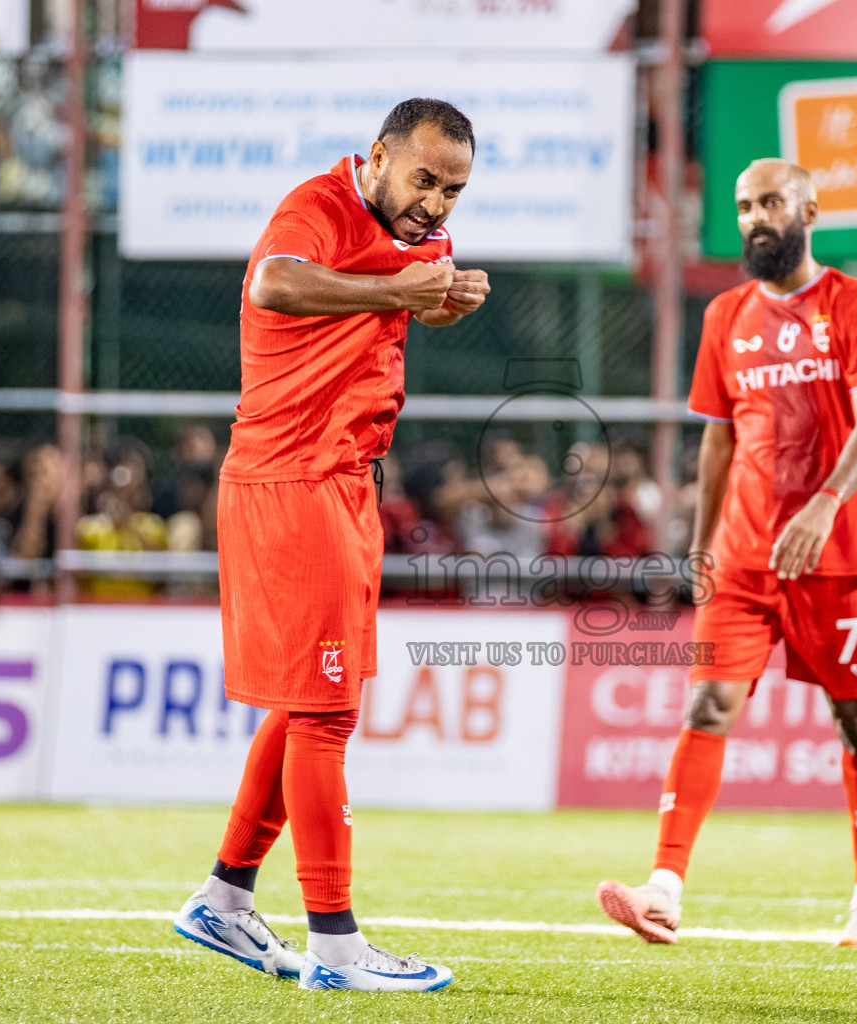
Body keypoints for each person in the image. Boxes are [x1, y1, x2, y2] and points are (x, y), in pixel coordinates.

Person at [170, 98, 489, 994]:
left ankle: (225, 900)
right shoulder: (316, 203)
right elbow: (273, 282)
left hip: (346, 482)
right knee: (327, 713)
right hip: (292, 478)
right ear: (379, 156)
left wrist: (443, 301)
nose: (435, 205)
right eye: (423, 179)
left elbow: (404, 306)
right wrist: (402, 289)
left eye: (454, 190)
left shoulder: (420, 239)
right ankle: (336, 946)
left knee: (313, 697)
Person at [595, 158, 857, 949]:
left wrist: (827, 503)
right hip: (741, 558)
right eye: (743, 206)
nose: (755, 217)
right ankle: (664, 889)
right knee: (706, 706)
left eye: (770, 201)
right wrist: (700, 545)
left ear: (809, 204)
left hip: (840, 554)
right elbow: (718, 436)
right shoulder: (725, 316)